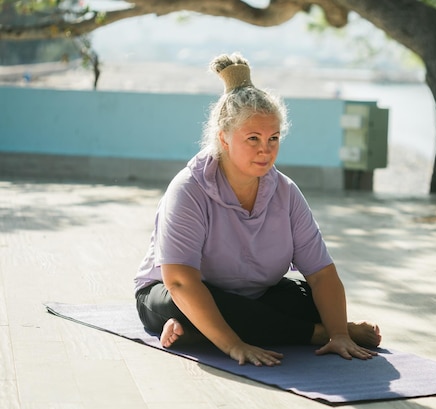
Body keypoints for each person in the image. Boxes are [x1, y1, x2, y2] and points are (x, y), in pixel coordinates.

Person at [134, 52, 381, 367]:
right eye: (253, 138)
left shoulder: (286, 192)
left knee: (309, 300)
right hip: (174, 294)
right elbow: (180, 281)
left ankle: (196, 335)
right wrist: (234, 346)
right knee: (204, 306)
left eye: (273, 138)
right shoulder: (188, 190)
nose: (266, 148)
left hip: (256, 293)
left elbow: (321, 274)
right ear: (224, 138)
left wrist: (340, 336)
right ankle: (310, 334)